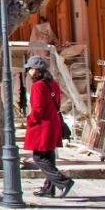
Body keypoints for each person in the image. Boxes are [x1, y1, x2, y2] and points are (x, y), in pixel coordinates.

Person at [23, 56, 73, 198]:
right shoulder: (52, 83)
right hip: (53, 122)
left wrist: (30, 120)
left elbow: (38, 109)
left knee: (39, 156)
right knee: (49, 156)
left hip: (42, 125)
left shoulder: (38, 86)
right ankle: (48, 189)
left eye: (30, 69)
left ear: (36, 71)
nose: (28, 72)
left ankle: (63, 181)